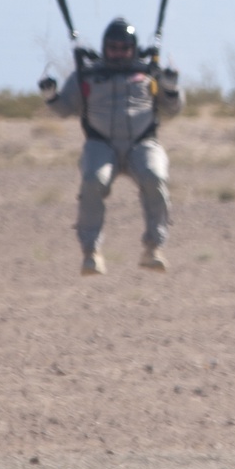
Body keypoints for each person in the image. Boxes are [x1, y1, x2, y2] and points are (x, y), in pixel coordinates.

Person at [39, 17, 184, 276]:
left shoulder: (149, 74)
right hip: (101, 143)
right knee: (93, 181)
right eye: (113, 47)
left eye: (125, 48)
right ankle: (91, 253)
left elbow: (173, 110)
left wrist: (171, 89)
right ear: (105, 48)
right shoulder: (87, 75)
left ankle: (153, 248)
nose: (119, 53)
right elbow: (64, 109)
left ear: (134, 48)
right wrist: (50, 96)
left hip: (142, 143)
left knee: (154, 177)